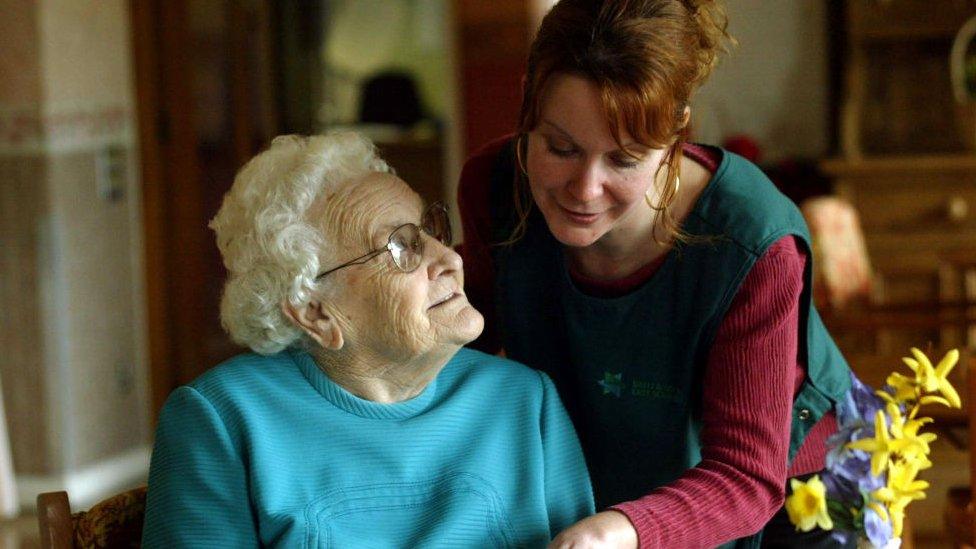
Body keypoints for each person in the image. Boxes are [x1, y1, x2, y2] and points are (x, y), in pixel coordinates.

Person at [457, 1, 853, 547]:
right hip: (615, 477)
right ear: (527, 100)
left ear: (676, 134)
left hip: (793, 497)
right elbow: (468, 342)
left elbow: (744, 476)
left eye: (623, 160)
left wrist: (620, 531)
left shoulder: (753, 243)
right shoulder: (494, 190)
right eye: (561, 148)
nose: (584, 189)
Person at [141, 132, 595, 547]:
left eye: (429, 232)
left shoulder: (523, 402)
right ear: (315, 312)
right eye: (401, 248)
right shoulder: (223, 420)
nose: (448, 260)